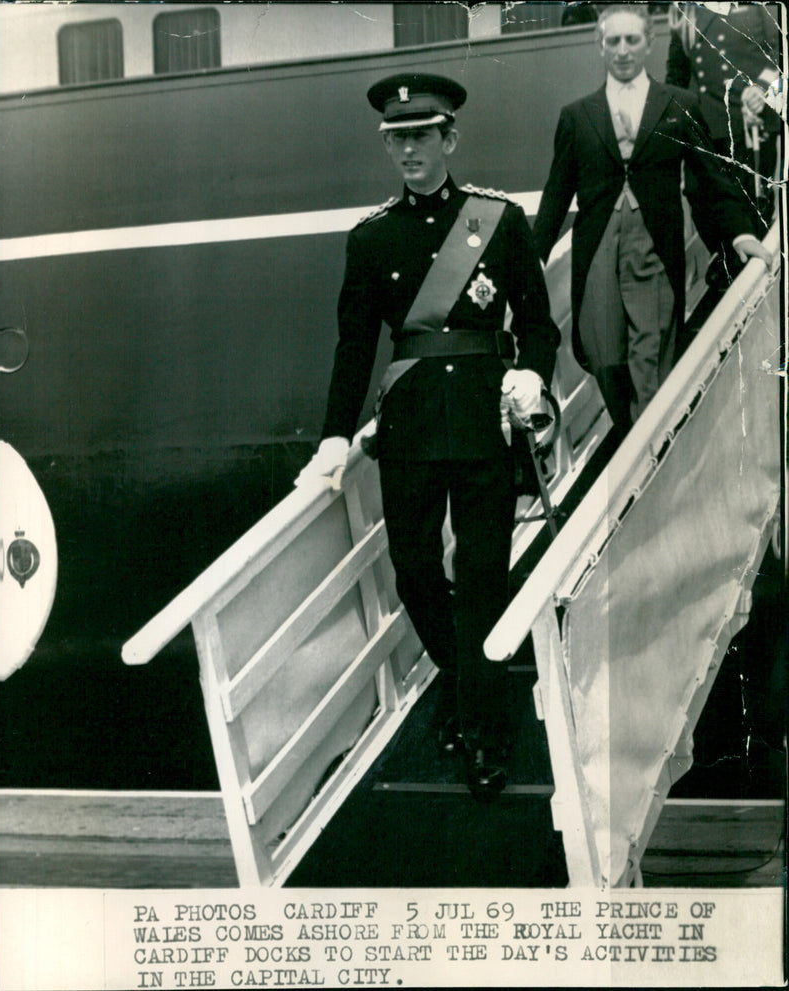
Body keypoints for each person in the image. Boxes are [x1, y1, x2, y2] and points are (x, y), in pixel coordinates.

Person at [296, 73, 560, 800]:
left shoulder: (498, 221)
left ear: (450, 139)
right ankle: (467, 680)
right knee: (414, 576)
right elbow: (355, 349)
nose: (409, 150)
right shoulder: (371, 237)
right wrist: (333, 438)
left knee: (482, 580)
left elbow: (539, 324)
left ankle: (483, 733)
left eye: (421, 136)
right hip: (409, 429)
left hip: (482, 424)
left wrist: (531, 374)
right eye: (397, 139)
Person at [533, 3, 770, 442]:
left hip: (654, 251)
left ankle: (648, 448)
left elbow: (713, 178)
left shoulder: (679, 104)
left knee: (651, 358)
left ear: (648, 44)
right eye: (613, 41)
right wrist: (530, 263)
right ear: (600, 46)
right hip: (598, 252)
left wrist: (741, 234)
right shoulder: (577, 116)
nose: (623, 50)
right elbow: (553, 200)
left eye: (632, 40)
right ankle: (636, 434)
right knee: (604, 357)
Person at [665, 1, 782, 287]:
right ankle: (725, 257)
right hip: (708, 123)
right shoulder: (685, 11)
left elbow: (780, 54)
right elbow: (677, 75)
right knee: (697, 191)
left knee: (751, 203)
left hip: (750, 124)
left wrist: (765, 89)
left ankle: (748, 271)